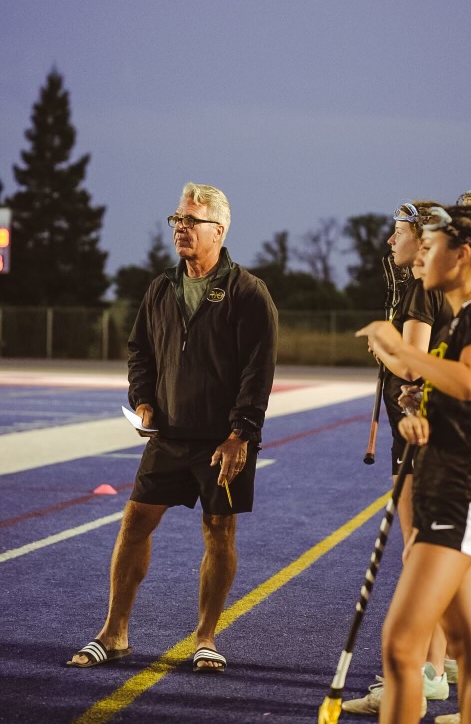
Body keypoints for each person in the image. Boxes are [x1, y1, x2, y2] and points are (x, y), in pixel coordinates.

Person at [67, 182, 278, 672]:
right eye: (177, 220)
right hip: (169, 436)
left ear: (219, 231)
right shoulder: (161, 287)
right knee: (135, 522)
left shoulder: (248, 292)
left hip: (224, 439)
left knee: (218, 530)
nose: (181, 228)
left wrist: (240, 434)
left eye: (191, 221)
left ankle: (205, 637)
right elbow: (139, 350)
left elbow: (258, 370)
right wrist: (142, 401)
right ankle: (113, 632)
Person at [356, 204, 471, 724]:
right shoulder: (460, 321)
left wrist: (400, 352)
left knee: (402, 646)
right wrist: (421, 417)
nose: (423, 255)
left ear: (463, 255)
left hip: (460, 496)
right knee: (468, 642)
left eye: (432, 246)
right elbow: (467, 402)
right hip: (450, 487)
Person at [342, 201, 453, 717]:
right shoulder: (427, 286)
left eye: (397, 232)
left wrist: (383, 345)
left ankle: (420, 672)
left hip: (420, 433)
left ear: (421, 236)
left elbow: (411, 368)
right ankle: (434, 666)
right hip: (420, 430)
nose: (390, 241)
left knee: (418, 555)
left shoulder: (418, 289)